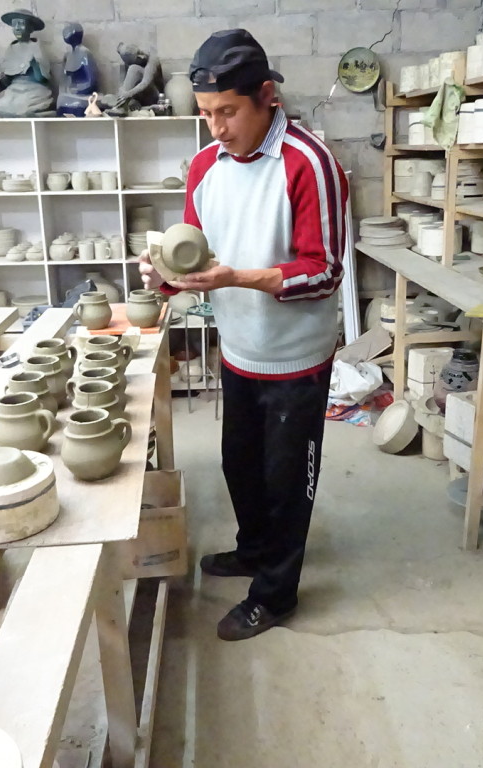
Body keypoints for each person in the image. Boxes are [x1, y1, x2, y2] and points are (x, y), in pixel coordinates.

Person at [139, 29, 348, 641]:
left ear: (266, 96)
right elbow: (195, 262)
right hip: (239, 349)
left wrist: (240, 277)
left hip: (296, 359)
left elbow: (325, 269)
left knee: (287, 484)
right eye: (206, 115)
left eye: (228, 111)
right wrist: (166, 278)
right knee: (240, 466)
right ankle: (255, 550)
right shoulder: (205, 167)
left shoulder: (310, 163)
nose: (216, 129)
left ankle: (276, 593)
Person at [0, 9, 54, 117]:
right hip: (15, 89)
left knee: (28, 104)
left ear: (31, 28)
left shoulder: (36, 47)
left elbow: (43, 78)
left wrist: (34, 64)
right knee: (4, 104)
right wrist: (5, 77)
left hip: (33, 88)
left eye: (21, 24)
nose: (17, 28)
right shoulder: (11, 48)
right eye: (14, 24)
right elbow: (5, 79)